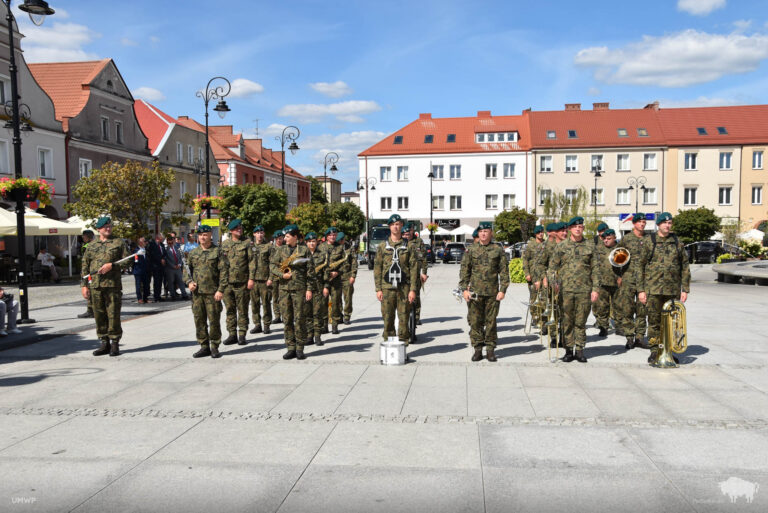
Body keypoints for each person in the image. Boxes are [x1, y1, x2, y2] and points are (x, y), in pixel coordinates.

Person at [639, 212, 691, 363]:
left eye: (670, 223)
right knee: (654, 322)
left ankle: (667, 350)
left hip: (672, 290)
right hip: (653, 289)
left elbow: (685, 266)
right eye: (665, 223)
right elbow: (639, 266)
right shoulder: (650, 241)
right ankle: (655, 350)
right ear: (658, 225)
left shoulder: (677, 242)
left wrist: (685, 289)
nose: (667, 226)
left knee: (670, 322)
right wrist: (641, 290)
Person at [549, 217, 598, 363]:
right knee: (567, 321)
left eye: (581, 227)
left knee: (581, 321)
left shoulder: (589, 246)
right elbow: (552, 268)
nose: (578, 229)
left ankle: (580, 350)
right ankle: (569, 350)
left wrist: (595, 289)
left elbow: (596, 269)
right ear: (570, 229)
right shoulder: (561, 246)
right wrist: (554, 283)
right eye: (575, 227)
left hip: (584, 290)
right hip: (566, 291)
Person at [459, 221, 509, 362]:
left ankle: (490, 350)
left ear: (491, 233)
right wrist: (464, 289)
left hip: (492, 293)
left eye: (486, 231)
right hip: (475, 293)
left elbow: (504, 272)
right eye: (481, 231)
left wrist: (503, 290)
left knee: (491, 322)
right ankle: (477, 349)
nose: (483, 234)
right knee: (475, 322)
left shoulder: (497, 250)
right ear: (478, 233)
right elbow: (464, 271)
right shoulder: (471, 250)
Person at [81, 217, 128, 357]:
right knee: (99, 314)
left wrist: (113, 265)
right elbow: (85, 266)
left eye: (109, 226)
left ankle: (114, 343)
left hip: (112, 285)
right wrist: (84, 286)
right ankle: (104, 342)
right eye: (105, 226)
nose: (108, 228)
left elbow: (128, 260)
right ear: (99, 229)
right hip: (95, 285)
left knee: (113, 314)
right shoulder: (91, 245)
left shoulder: (118, 242)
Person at [374, 214, 419, 347]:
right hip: (387, 288)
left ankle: (403, 349)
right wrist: (378, 289)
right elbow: (377, 269)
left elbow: (414, 269)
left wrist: (412, 290)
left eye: (398, 224)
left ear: (401, 226)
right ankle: (389, 348)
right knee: (387, 319)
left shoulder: (409, 246)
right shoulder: (382, 247)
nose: (396, 226)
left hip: (404, 288)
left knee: (404, 319)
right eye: (393, 224)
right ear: (389, 226)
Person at [271, 224, 315, 360]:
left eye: (288, 236)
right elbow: (272, 266)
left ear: (295, 237)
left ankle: (300, 348)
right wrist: (281, 274)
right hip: (284, 289)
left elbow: (310, 271)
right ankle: (290, 347)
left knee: (300, 319)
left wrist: (309, 289)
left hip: (299, 289)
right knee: (287, 319)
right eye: (285, 236)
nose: (285, 239)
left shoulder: (304, 250)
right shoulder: (280, 250)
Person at [184, 225, 228, 358]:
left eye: (205, 235)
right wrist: (189, 282)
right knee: (199, 320)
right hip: (197, 294)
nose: (203, 237)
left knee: (214, 320)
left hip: (212, 293)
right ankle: (204, 346)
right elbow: (186, 271)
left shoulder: (218, 252)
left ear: (210, 236)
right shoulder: (193, 253)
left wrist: (220, 290)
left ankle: (214, 346)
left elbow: (224, 273)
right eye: (200, 235)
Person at [617, 213, 650, 350]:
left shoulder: (649, 239)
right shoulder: (626, 239)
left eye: (644, 222)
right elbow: (618, 258)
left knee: (642, 309)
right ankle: (629, 337)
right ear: (634, 224)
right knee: (628, 308)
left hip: (645, 278)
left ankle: (640, 337)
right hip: (629, 278)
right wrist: (619, 276)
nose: (642, 224)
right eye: (639, 222)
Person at [221, 218, 255, 346]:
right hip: (228, 283)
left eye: (240, 228)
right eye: (236, 229)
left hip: (242, 282)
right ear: (231, 231)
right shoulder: (225, 244)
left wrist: (251, 279)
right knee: (230, 309)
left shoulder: (246, 243)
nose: (239, 230)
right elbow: (221, 264)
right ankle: (232, 334)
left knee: (242, 309)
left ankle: (242, 334)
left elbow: (252, 262)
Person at [592, 229, 623, 338]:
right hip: (602, 282)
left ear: (614, 237)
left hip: (616, 282)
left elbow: (624, 265)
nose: (606, 241)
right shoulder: (598, 249)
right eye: (604, 238)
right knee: (602, 306)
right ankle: (603, 327)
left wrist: (621, 277)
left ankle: (619, 326)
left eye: (609, 239)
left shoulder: (620, 249)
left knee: (618, 305)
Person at [304, 231, 327, 346]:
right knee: (307, 313)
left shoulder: (322, 254)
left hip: (318, 287)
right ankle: (309, 336)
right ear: (306, 243)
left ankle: (317, 336)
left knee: (317, 312)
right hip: (306, 288)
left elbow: (326, 272)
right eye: (309, 242)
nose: (312, 244)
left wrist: (326, 287)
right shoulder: (302, 254)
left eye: (313, 241)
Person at [249, 225, 273, 335]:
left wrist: (271, 278)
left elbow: (273, 264)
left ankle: (267, 324)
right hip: (253, 280)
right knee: (254, 303)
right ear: (254, 234)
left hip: (265, 280)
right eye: (257, 233)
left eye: (261, 233)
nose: (260, 235)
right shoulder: (249, 246)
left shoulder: (268, 247)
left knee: (266, 303)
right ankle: (257, 324)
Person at [322, 227, 346, 334]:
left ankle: (335, 325)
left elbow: (345, 264)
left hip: (336, 280)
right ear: (327, 236)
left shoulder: (340, 248)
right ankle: (324, 325)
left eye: (334, 235)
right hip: (324, 280)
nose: (332, 237)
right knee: (323, 303)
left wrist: (338, 272)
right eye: (330, 235)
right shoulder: (321, 247)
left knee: (336, 303)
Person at [405, 223, 428, 326]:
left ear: (412, 231)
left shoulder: (418, 242)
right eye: (405, 233)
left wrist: (424, 273)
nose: (407, 234)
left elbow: (423, 258)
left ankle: (416, 316)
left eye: (408, 232)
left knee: (416, 295)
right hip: (403, 274)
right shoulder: (401, 242)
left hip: (416, 273)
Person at [522, 225, 546, 324]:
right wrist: (527, 273)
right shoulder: (530, 245)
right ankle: (535, 316)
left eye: (542, 232)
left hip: (543, 275)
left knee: (544, 298)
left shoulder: (546, 245)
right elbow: (525, 260)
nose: (541, 234)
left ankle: (543, 318)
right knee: (533, 297)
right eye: (538, 232)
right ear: (535, 234)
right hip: (533, 275)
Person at [162, 232, 189, 300]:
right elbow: (166, 259)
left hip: (178, 268)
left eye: (171, 241)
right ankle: (173, 295)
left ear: (173, 241)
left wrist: (179, 264)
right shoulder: (165, 249)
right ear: (167, 242)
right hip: (170, 269)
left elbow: (180, 257)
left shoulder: (177, 248)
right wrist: (173, 266)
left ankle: (184, 294)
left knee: (181, 281)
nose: (170, 243)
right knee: (171, 282)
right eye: (169, 242)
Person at [340, 232, 359, 325]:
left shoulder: (349, 248)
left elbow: (354, 263)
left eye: (341, 240)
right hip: (336, 277)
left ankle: (347, 315)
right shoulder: (333, 247)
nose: (341, 242)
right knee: (336, 298)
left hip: (347, 276)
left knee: (348, 298)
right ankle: (338, 315)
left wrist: (353, 275)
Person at [77, 230, 95, 318]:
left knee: (89, 290)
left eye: (83, 236)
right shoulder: (95, 244)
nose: (82, 238)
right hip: (92, 271)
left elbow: (86, 261)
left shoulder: (87, 246)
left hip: (89, 271)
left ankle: (91, 310)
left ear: (87, 237)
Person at [147, 233, 166, 303]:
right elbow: (152, 254)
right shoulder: (152, 244)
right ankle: (156, 296)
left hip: (161, 266)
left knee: (160, 281)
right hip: (155, 266)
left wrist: (164, 258)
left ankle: (159, 295)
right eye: (162, 238)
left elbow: (164, 253)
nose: (163, 239)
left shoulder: (162, 245)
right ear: (158, 238)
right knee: (156, 281)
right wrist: (160, 259)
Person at [271, 230, 284, 324]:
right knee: (275, 297)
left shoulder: (285, 248)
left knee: (283, 297)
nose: (279, 240)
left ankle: (285, 314)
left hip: (284, 275)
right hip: (274, 276)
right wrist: (270, 278)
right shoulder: (271, 249)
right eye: (277, 239)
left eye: (281, 238)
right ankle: (277, 315)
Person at [132, 236, 151, 303]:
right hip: (138, 271)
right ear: (140, 243)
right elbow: (135, 261)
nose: (146, 243)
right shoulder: (136, 251)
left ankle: (145, 298)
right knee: (138, 285)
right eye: (144, 241)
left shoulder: (146, 250)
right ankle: (139, 298)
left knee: (146, 285)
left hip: (145, 271)